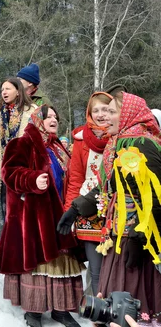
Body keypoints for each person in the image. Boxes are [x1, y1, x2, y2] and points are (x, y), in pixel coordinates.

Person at [63, 92, 161, 323]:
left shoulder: (143, 144)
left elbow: (157, 197)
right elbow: (108, 187)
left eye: (113, 112)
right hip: (117, 236)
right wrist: (76, 209)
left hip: (134, 239)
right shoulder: (119, 142)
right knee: (113, 298)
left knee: (128, 300)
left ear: (127, 115)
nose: (107, 117)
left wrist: (138, 236)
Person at [0, 105, 84, 327]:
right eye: (48, 116)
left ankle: (60, 310)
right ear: (37, 120)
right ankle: (33, 311)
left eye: (56, 116)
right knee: (38, 262)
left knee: (61, 259)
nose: (54, 119)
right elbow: (9, 173)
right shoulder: (22, 143)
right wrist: (32, 179)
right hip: (32, 216)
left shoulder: (59, 147)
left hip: (60, 211)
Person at [0, 77, 36, 272]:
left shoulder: (32, 112)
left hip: (19, 171)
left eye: (8, 88)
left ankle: (18, 256)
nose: (4, 92)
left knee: (17, 214)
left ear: (18, 91)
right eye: (2, 89)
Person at [57, 92, 112, 296]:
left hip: (115, 209)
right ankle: (98, 312)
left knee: (115, 266)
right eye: (95, 110)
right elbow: (75, 180)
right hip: (87, 210)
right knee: (96, 269)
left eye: (105, 109)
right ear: (89, 114)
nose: (100, 115)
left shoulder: (119, 137)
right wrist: (70, 211)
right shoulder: (81, 141)